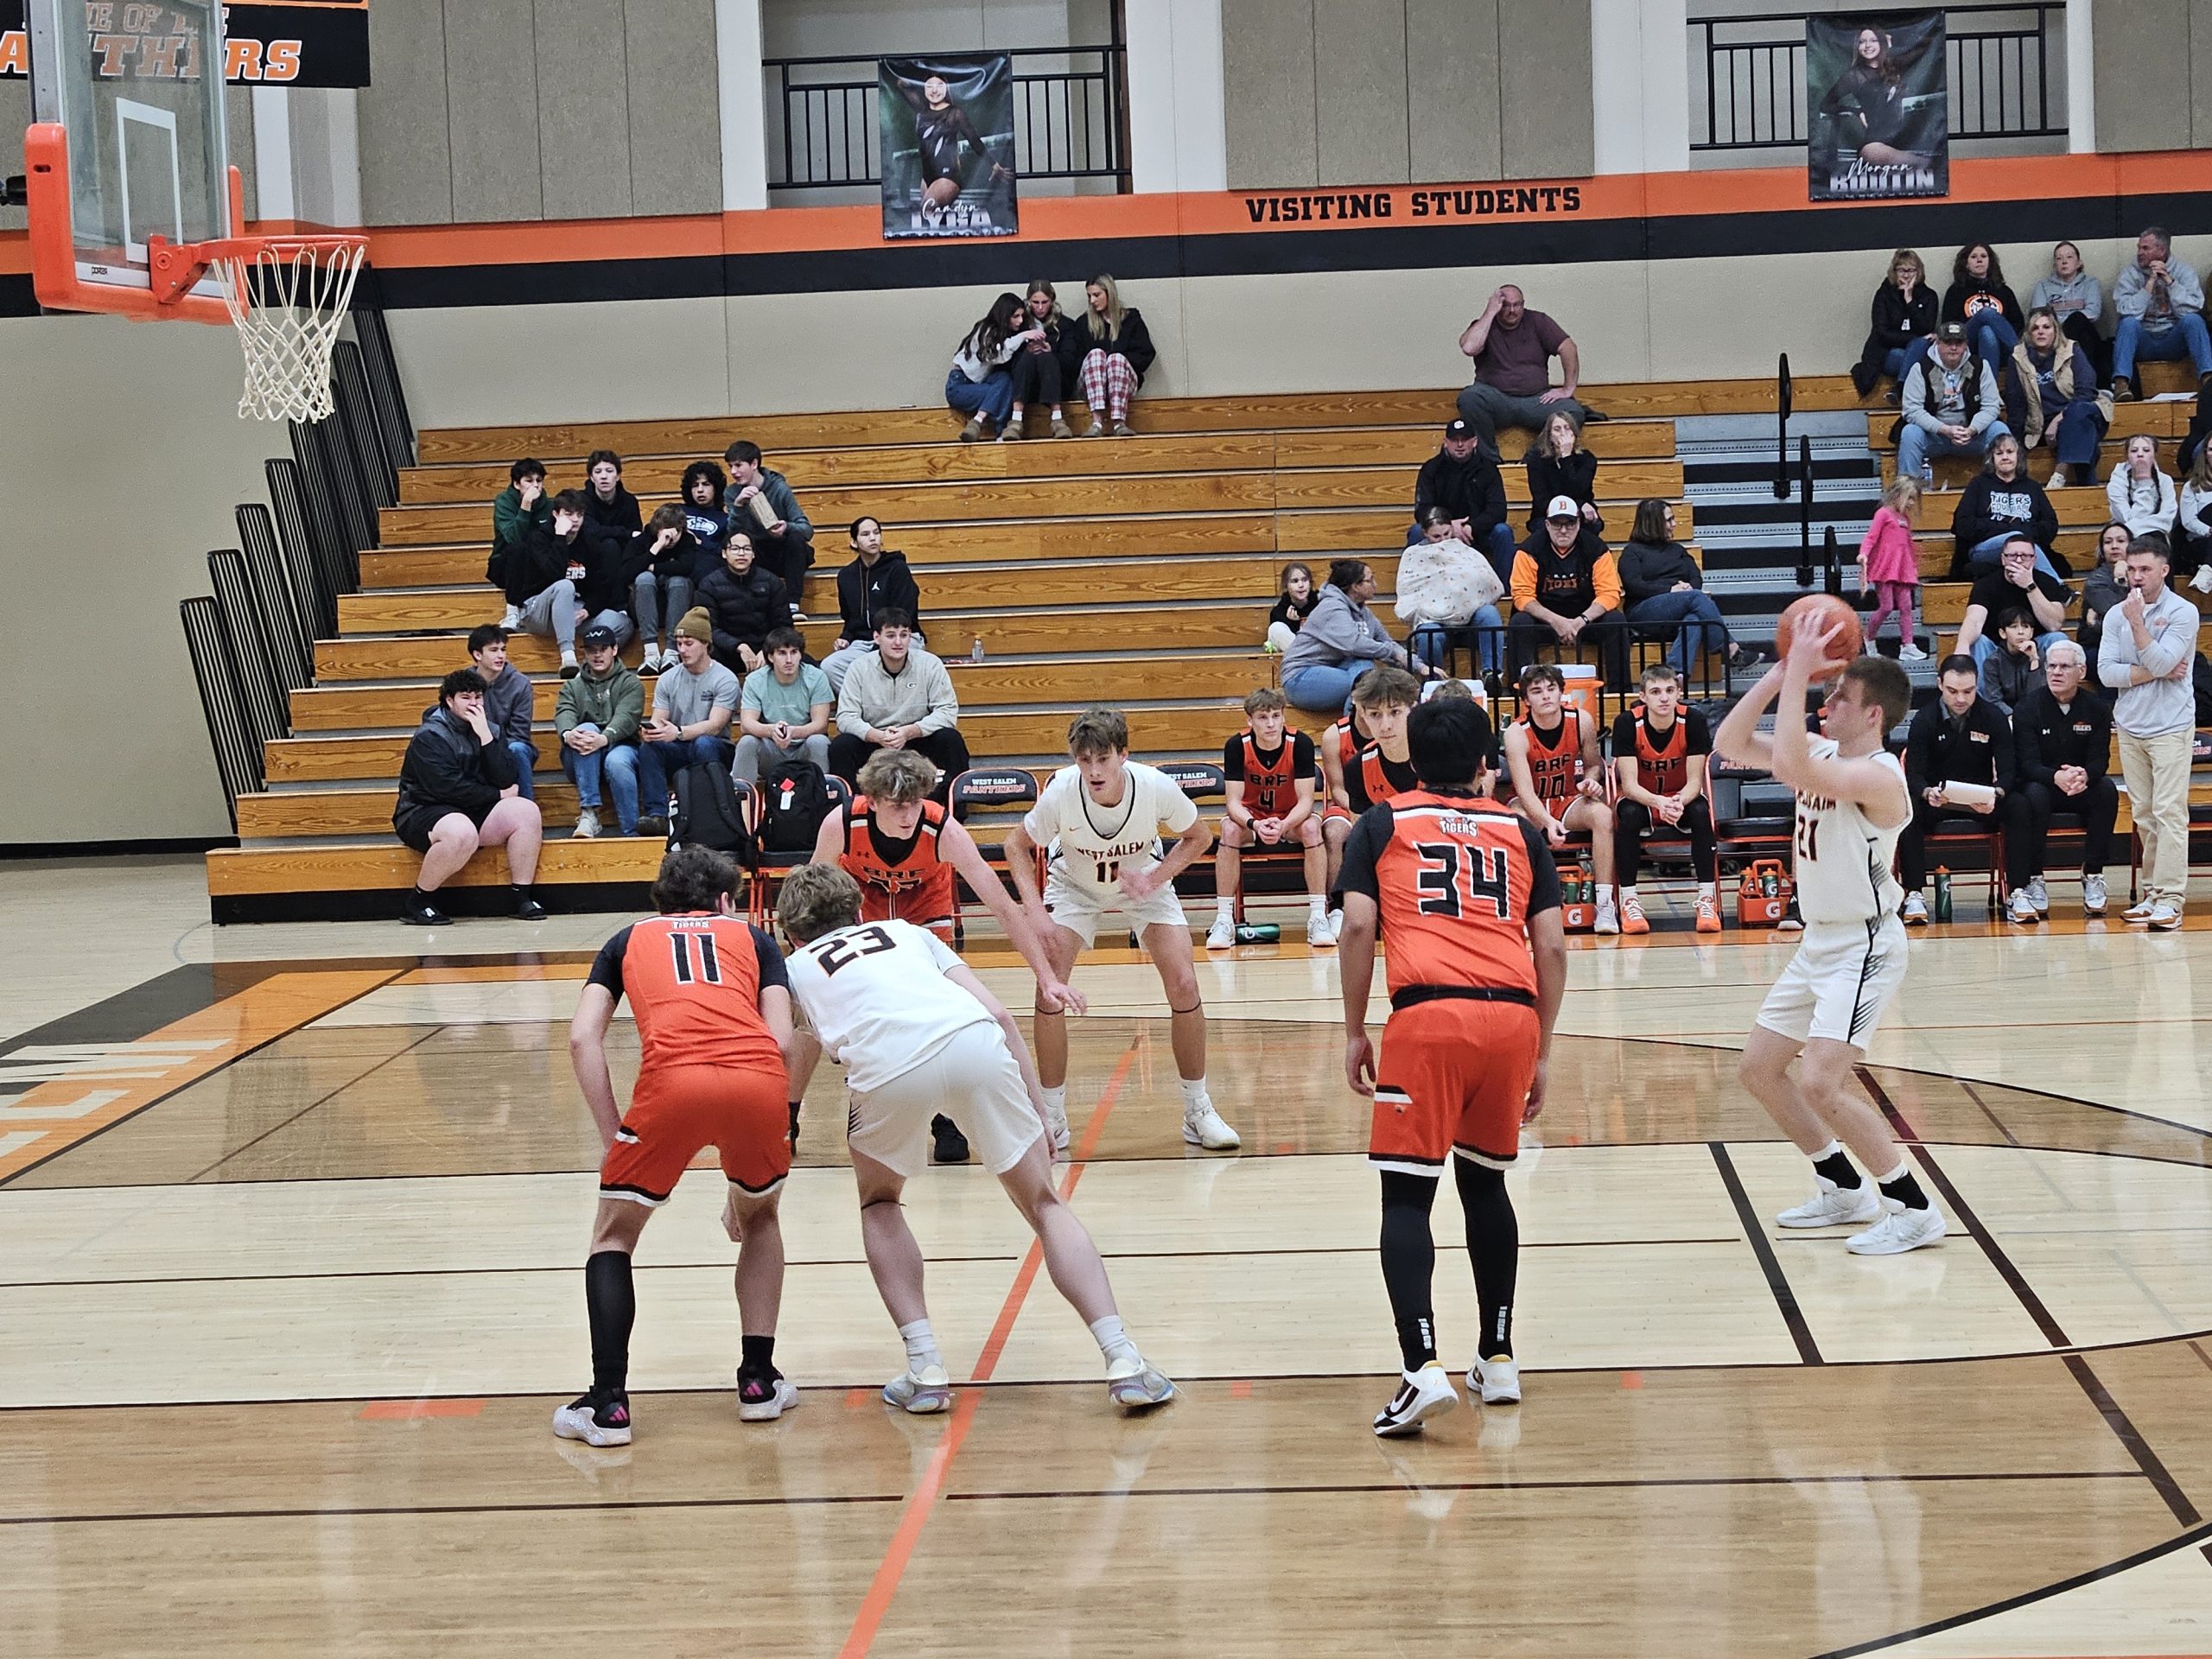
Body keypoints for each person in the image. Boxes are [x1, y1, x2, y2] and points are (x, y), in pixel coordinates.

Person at [776, 862, 1173, 1415]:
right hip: (971, 1042)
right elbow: (997, 1013)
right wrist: (1040, 1109)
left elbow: (787, 1053)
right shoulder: (909, 933)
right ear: (858, 909)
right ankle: (1124, 1360)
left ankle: (927, 1368)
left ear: (791, 932)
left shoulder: (792, 968)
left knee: (880, 1202)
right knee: (1043, 1202)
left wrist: (775, 1130)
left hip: (886, 1071)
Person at [1336, 696, 1565, 1433]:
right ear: (1482, 765)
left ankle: (1420, 1366)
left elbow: (1360, 927)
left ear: (1411, 759)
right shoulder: (1522, 831)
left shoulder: (1382, 823)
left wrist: (1352, 1030)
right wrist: (1544, 1050)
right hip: (1513, 1020)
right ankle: (1497, 1358)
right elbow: (1554, 949)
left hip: (1429, 1017)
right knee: (1487, 1189)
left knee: (1406, 1200)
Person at [553, 848, 799, 1447]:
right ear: (723, 901)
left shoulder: (625, 939)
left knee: (613, 1237)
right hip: (757, 1078)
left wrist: (613, 1128)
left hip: (671, 1084)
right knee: (760, 1218)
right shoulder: (753, 939)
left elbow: (583, 1039)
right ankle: (758, 1383)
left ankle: (608, 1405)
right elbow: (785, 1040)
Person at [1713, 639, 1942, 1255]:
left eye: (1841, 695)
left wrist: (1793, 682)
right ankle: (1842, 1186)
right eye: (1826, 691)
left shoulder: (1878, 776)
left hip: (1864, 945)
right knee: (1759, 1069)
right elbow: (1729, 745)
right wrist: (1780, 675)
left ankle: (1912, 1208)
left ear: (1874, 714)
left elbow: (1797, 763)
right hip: (1819, 939)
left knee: (1819, 1082)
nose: (1827, 700)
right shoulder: (1817, 749)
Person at [794, 747, 1085, 1166]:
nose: (908, 815)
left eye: (914, 803)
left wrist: (1047, 978)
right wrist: (806, 971)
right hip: (862, 912)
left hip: (923, 910)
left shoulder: (941, 830)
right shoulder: (841, 823)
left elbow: (1002, 906)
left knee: (947, 1003)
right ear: (872, 802)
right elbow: (808, 897)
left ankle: (946, 1120)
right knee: (808, 1015)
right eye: (896, 806)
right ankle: (788, 1113)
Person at [1001, 707, 1238, 1153]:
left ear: (1123, 755)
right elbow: (1016, 845)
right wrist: (1032, 909)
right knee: (1048, 988)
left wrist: (1156, 878)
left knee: (1185, 982)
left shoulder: (1154, 787)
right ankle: (1051, 1115)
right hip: (1074, 886)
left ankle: (1198, 1109)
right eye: (1084, 759)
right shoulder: (1060, 795)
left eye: (1103, 759)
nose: (1093, 770)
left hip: (1142, 882)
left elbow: (1200, 837)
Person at [2098, 534, 2200, 930]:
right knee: (2143, 814)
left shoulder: (2183, 612)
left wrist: (2139, 625)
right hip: (2130, 724)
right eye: (2131, 569)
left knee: (2169, 811)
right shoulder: (2113, 615)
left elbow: (2162, 658)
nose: (2136, 577)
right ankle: (2153, 893)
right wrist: (2148, 672)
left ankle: (2172, 899)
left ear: (2163, 569)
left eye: (2144, 569)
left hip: (2171, 725)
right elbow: (2106, 672)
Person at [392, 668, 546, 925]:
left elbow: (507, 777)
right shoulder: (429, 736)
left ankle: (522, 897)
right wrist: (497, 794)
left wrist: (486, 736)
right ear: (449, 700)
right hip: (422, 810)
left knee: (526, 811)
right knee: (462, 832)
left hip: (472, 808)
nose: (474, 704)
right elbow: (446, 787)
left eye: (478, 697)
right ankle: (418, 901)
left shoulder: (490, 729)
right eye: (466, 697)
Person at [1896, 654, 2014, 925]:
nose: (1960, 698)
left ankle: (2019, 890)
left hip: (1981, 801)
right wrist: (1927, 792)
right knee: (1907, 812)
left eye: (1968, 691)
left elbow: (2009, 769)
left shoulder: (1993, 717)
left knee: (2018, 805)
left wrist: (1997, 794)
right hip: (1937, 800)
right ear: (1939, 684)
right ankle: (1914, 892)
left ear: (1977, 686)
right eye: (1952, 691)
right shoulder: (1924, 720)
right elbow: (1913, 773)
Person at [1210, 686, 1331, 950]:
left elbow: (1306, 801)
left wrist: (1285, 824)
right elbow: (1232, 803)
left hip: (1289, 818)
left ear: (1284, 717)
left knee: (1312, 827)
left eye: (1276, 716)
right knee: (1229, 829)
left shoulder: (1301, 744)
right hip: (1252, 819)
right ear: (1250, 720)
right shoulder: (1236, 745)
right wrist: (1254, 824)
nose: (1271, 723)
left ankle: (1319, 917)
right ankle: (1224, 920)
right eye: (1263, 718)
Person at [1502, 664, 1620, 936]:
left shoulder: (1581, 720)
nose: (1545, 696)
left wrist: (1590, 781)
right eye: (1537, 691)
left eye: (1550, 689)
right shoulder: (1516, 733)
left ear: (1561, 693)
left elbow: (1593, 765)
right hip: (1530, 803)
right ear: (1526, 700)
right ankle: (1523, 909)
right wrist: (1547, 822)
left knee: (1603, 815)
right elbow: (1524, 791)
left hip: (1566, 798)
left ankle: (1604, 906)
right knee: (1517, 822)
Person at [2004, 639, 2116, 923]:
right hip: (2043, 783)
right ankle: (2034, 878)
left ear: (2081, 671)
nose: (2055, 672)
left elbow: (2100, 761)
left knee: (2107, 790)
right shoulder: (2027, 708)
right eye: (2051, 666)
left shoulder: (2097, 709)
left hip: (2081, 785)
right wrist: (2057, 777)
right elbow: (2026, 764)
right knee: (2033, 796)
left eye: (2064, 666)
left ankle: (2093, 873)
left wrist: (2084, 776)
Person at [1611, 663, 1721, 934]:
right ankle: (1629, 900)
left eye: (1670, 690)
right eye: (1656, 691)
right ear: (1643, 696)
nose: (1664, 697)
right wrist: (1659, 802)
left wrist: (1677, 802)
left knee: (1700, 812)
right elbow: (1629, 785)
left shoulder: (1693, 720)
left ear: (1679, 692)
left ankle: (1707, 898)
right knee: (1629, 814)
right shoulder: (1627, 723)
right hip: (1642, 799)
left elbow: (1696, 782)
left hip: (1680, 797)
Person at [828, 609, 970, 804]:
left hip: (916, 737)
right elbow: (845, 717)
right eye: (891, 635)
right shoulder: (859, 668)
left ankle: (954, 807)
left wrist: (909, 732)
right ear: (876, 638)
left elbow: (947, 711)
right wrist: (877, 735)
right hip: (875, 740)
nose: (898, 642)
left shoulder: (930, 664)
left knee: (950, 739)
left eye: (904, 635)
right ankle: (852, 808)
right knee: (842, 745)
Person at [1454, 284, 1592, 461]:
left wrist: (1568, 388)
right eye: (1506, 305)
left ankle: (1534, 458)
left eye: (1517, 305)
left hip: (1536, 400)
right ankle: (1490, 462)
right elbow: (1469, 347)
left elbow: (1568, 347)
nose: (1512, 310)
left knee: (1573, 412)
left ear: (1523, 304)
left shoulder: (1538, 321)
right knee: (1469, 398)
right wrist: (1490, 313)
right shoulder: (1484, 324)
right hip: (1496, 399)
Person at [1618, 498, 1751, 678]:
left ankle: (1676, 673)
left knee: (1693, 618)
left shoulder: (1677, 550)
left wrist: (1687, 588)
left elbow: (1695, 577)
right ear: (1655, 523)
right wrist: (1670, 590)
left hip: (1680, 607)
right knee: (1696, 598)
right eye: (1669, 520)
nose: (1675, 524)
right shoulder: (1632, 552)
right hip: (1644, 611)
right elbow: (1634, 585)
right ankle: (1731, 649)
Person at [1281, 558, 1433, 712]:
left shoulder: (1364, 612)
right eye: (1370, 580)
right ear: (1355, 586)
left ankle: (1355, 723)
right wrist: (1392, 653)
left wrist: (1419, 666)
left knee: (1365, 667)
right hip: (1300, 677)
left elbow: (1386, 641)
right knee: (1367, 684)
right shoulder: (1332, 608)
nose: (1376, 585)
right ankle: (1352, 729)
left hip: (1335, 670)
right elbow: (1354, 644)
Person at [1508, 496, 1630, 689]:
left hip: (1585, 620)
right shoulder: (1529, 550)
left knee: (1616, 620)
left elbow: (1610, 593)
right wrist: (1557, 622)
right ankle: (1520, 693)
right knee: (1519, 622)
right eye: (1557, 524)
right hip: (1545, 622)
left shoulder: (1596, 548)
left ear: (1579, 523)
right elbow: (1522, 596)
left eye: (1570, 523)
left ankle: (1620, 691)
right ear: (1547, 525)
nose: (1564, 530)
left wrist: (1580, 621)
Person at [512, 489, 632, 679]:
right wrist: (560, 536)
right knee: (565, 585)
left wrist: (587, 611)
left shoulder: (589, 542)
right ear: (555, 515)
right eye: (568, 514)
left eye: (579, 514)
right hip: (538, 611)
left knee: (620, 622)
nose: (575, 519)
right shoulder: (540, 538)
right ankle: (568, 657)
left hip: (572, 611)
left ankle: (588, 665)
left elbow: (601, 586)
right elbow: (553, 574)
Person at [636, 609, 740, 822]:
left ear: (705, 643)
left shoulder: (725, 678)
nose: (682, 649)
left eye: (688, 643)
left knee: (704, 743)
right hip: (680, 744)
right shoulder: (667, 678)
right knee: (650, 747)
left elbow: (715, 726)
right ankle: (658, 814)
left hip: (716, 747)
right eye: (679, 643)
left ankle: (710, 811)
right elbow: (659, 717)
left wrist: (679, 732)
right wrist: (652, 732)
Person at [555, 622, 645, 839]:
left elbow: (627, 717)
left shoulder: (630, 683)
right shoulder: (572, 686)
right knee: (585, 729)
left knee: (616, 761)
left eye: (603, 649)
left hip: (622, 746)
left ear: (614, 650)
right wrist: (568, 734)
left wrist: (604, 738)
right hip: (581, 755)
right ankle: (589, 813)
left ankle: (631, 832)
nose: (597, 655)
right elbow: (564, 712)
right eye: (591, 650)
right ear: (584, 653)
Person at [2005, 305, 2110, 488]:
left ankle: (2060, 473)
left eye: (2046, 327)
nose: (2041, 332)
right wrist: (2017, 444)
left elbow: (2087, 392)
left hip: (2079, 412)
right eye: (2035, 328)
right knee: (2086, 436)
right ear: (2029, 333)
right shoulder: (2017, 358)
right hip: (2042, 423)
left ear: (2055, 330)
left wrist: (2059, 420)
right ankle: (2089, 490)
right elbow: (2016, 404)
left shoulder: (2071, 350)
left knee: (2079, 413)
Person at [1815, 22, 1939, 173]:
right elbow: (1825, 104)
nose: (1867, 45)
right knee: (1924, 163)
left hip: (1903, 142)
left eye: (1873, 40)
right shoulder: (1855, 76)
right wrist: (1856, 111)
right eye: (1862, 42)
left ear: (1882, 42)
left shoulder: (1894, 66)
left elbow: (1923, 46)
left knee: (1925, 165)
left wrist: (1892, 43)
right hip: (1873, 147)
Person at [1397, 507, 1505, 677]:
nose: (1443, 540)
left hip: (1470, 620)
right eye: (1436, 536)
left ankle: (1492, 674)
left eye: (1447, 534)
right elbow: (1408, 591)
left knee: (1489, 613)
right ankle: (1433, 682)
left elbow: (1488, 581)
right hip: (1434, 621)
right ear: (1425, 533)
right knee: (1427, 635)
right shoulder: (1413, 555)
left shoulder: (1465, 550)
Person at [1898, 321, 2008, 484]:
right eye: (1948, 343)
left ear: (1966, 345)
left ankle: (2004, 489)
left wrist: (1972, 429)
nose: (1954, 348)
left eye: (1959, 343)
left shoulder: (1980, 366)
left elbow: (1991, 406)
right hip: (1934, 437)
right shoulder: (1920, 368)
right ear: (1938, 343)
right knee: (1910, 433)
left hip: (1971, 436)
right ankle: (1906, 492)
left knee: (2000, 430)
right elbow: (1911, 410)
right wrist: (1944, 430)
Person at [2111, 226, 2212, 402]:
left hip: (2173, 340)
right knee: (2127, 323)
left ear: (2162, 250)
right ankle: (2121, 384)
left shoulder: (2183, 271)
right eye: (2139, 248)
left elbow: (2193, 308)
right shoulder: (2130, 274)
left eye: (2145, 248)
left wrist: (2169, 282)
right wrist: (2149, 283)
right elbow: (2125, 310)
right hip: (2145, 340)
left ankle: (2208, 380)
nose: (2139, 253)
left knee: (2194, 321)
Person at [895, 72, 1014, 219]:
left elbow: (974, 140)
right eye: (929, 86)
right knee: (932, 221)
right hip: (927, 178)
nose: (934, 90)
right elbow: (901, 84)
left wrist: (994, 165)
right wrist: (915, 76)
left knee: (927, 212)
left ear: (946, 89)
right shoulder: (922, 110)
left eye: (939, 86)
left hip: (948, 177)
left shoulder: (955, 113)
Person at [827, 516, 923, 696]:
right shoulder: (846, 576)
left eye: (876, 533)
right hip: (864, 641)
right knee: (830, 666)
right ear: (854, 542)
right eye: (865, 534)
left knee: (884, 660)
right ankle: (868, 704)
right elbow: (850, 618)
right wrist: (845, 638)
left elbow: (905, 614)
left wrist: (881, 644)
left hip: (899, 636)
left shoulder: (897, 568)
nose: (873, 538)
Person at [1412, 418, 1516, 582]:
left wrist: (1470, 527)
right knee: (1416, 531)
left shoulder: (1488, 469)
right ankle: (1415, 587)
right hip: (1440, 533)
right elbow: (1422, 510)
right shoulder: (1431, 469)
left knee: (1503, 532)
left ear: (1474, 442)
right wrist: (1448, 525)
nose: (1459, 445)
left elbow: (1498, 510)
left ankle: (1508, 592)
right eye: (1454, 440)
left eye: (1464, 439)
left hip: (1477, 533)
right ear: (1446, 442)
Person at [1950, 433, 2060, 577]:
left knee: (2020, 544)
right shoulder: (1978, 485)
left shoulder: (2032, 487)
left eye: (2010, 452)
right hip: (1984, 549)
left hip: (2027, 549)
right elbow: (1963, 524)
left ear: (2018, 456)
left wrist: (2025, 533)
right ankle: (2059, 588)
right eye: (1999, 453)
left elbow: (2050, 525)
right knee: (2017, 538)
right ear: (1992, 458)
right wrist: (2013, 529)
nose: (2005, 457)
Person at [734, 626, 832, 785]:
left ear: (801, 654)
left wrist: (793, 732)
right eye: (782, 653)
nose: (789, 660)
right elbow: (747, 724)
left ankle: (820, 797)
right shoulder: (755, 680)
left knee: (819, 741)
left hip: (803, 748)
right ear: (771, 657)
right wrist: (772, 731)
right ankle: (742, 800)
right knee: (747, 742)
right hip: (772, 749)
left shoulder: (816, 677)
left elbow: (821, 725)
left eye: (794, 652)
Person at [1955, 535, 2071, 670]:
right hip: (1998, 650)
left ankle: (2052, 690)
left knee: (2058, 639)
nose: (2018, 561)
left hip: (2035, 647)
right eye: (2012, 556)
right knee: (1978, 642)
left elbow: (2054, 625)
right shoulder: (1986, 584)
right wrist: (1962, 646)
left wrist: (2029, 586)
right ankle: (1984, 691)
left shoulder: (2047, 582)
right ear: (2003, 559)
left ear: (2034, 560)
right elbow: (1974, 620)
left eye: (2025, 556)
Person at [723, 442, 814, 606]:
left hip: (782, 553)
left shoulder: (780, 488)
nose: (733, 472)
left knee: (796, 539)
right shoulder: (731, 493)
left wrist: (786, 527)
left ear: (754, 464)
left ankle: (793, 604)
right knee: (739, 548)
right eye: (730, 466)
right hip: (756, 551)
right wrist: (738, 506)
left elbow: (807, 530)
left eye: (738, 465)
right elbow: (733, 534)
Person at [1067, 274, 1154, 437]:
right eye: (1089, 296)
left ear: (1110, 294)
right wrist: (1101, 365)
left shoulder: (1130, 319)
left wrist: (1112, 362)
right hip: (1091, 385)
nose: (1092, 301)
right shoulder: (1083, 323)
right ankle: (1097, 422)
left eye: (1096, 295)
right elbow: (1075, 360)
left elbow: (1146, 354)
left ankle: (1119, 423)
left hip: (1122, 381)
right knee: (1096, 355)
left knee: (1116, 359)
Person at [696, 530, 789, 678]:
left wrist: (768, 651)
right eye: (735, 548)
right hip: (729, 651)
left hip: (766, 649)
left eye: (747, 549)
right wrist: (738, 646)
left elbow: (784, 626)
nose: (741, 553)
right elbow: (708, 628)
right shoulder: (710, 584)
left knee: (798, 657)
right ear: (724, 553)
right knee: (704, 652)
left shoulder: (771, 581)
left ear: (753, 554)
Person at [1853, 248, 1939, 400]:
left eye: (1911, 270)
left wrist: (1910, 300)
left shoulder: (1929, 296)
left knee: (1921, 346)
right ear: (1894, 272)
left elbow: (1927, 327)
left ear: (1919, 272)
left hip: (1919, 351)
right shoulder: (1884, 295)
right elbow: (1881, 332)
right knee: (1915, 352)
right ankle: (1911, 390)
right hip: (1888, 352)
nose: (1906, 275)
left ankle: (1900, 387)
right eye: (1901, 270)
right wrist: (1913, 339)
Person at [948, 293, 1033, 443]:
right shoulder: (985, 330)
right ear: (1004, 315)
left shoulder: (1004, 331)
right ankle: (997, 433)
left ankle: (978, 421)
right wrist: (1023, 336)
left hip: (981, 383)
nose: (1020, 321)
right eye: (1015, 316)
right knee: (1005, 391)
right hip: (959, 385)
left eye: (1021, 316)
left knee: (1005, 380)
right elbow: (996, 355)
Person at [467, 623, 536, 802]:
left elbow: (519, 734)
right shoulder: (463, 683)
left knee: (517, 749)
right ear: (477, 654)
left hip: (508, 747)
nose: (501, 656)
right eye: (494, 650)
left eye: (503, 649)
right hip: (474, 747)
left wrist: (493, 751)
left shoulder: (520, 684)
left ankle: (526, 811)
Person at [1859, 474, 1925, 659]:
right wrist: (1864, 553)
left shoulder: (1904, 519)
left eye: (1914, 499)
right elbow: (1871, 536)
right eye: (1909, 498)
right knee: (1887, 606)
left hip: (1903, 568)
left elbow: (1907, 544)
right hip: (1886, 568)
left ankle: (1908, 645)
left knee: (1906, 606)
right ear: (1898, 494)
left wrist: (1913, 564)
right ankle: (1869, 637)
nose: (1912, 503)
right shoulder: (1884, 514)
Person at [627, 504, 698, 675]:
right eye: (665, 532)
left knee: (678, 581)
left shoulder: (687, 540)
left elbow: (686, 567)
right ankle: (651, 652)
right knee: (644, 578)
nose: (671, 538)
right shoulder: (643, 540)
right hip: (645, 606)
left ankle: (672, 651)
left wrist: (653, 567)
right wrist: (657, 546)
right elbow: (627, 572)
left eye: (676, 533)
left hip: (676, 604)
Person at [1936, 243, 2024, 375]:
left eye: (1983, 256)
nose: (1979, 260)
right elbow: (1949, 326)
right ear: (1966, 263)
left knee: (1987, 332)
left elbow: (2018, 322)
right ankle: (2022, 354)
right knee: (1986, 313)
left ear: (1990, 262)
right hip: (1967, 345)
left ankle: (1990, 389)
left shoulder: (2003, 291)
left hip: (2000, 346)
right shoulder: (1956, 291)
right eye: (1974, 257)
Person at [2030, 239, 2108, 381]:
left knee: (2079, 322)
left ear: (2079, 263)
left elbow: (2093, 313)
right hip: (2054, 336)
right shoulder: (2043, 286)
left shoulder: (2090, 283)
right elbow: (2038, 315)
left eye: (2069, 257)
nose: (2064, 261)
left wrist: (2069, 322)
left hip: (2080, 332)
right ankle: (2091, 383)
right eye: (2059, 258)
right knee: (2082, 336)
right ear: (2055, 265)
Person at [1006, 281, 1074, 439]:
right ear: (1028, 301)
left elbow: (1071, 361)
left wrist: (1051, 352)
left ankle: (1057, 419)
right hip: (1025, 385)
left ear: (1052, 301)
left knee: (1045, 356)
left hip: (1057, 384)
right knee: (1030, 355)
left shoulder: (1065, 325)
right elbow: (1007, 361)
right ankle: (1016, 420)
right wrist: (1026, 351)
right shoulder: (1020, 324)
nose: (1040, 308)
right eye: (1035, 303)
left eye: (1045, 302)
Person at [493, 458, 550, 627]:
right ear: (517, 484)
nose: (535, 486)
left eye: (539, 481)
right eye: (529, 481)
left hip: (537, 566)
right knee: (519, 547)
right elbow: (513, 537)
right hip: (505, 564)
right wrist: (525, 506)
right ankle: (512, 612)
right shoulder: (504, 502)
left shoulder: (549, 505)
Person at [1523, 409, 1601, 533]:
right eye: (1557, 429)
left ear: (1574, 434)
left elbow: (1579, 489)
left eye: (1567, 428)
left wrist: (1566, 458)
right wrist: (1580, 505)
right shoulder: (1536, 461)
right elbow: (1541, 499)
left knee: (1593, 524)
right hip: (1546, 513)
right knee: (1543, 528)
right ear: (1549, 436)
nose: (1563, 433)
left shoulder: (1587, 459)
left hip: (1579, 514)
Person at [578, 450, 644, 578]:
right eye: (598, 472)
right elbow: (592, 531)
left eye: (609, 471)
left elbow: (636, 535)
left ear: (618, 476)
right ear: (591, 477)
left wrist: (626, 535)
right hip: (590, 557)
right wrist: (624, 533)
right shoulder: (581, 500)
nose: (604, 476)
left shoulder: (629, 501)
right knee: (610, 545)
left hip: (623, 558)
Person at [2107, 434, 2178, 542]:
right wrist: (2144, 483)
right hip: (2124, 537)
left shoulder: (2165, 481)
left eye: (2146, 450)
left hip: (2156, 536)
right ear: (2127, 456)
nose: (2140, 454)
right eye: (2134, 451)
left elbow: (2167, 518)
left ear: (2154, 455)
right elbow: (2127, 518)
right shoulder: (2116, 483)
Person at [2078, 522, 2133, 661]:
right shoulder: (2096, 581)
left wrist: (2095, 623)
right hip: (2099, 646)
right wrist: (2121, 580)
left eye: (2121, 541)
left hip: (2135, 643)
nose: (2114, 546)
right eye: (2108, 542)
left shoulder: (2143, 575)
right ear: (2102, 550)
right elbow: (2122, 619)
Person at [1975, 607, 2042, 718]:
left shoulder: (2040, 656)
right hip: (2004, 716)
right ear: (2003, 633)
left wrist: (2034, 660)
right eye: (2014, 627)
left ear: (2031, 632)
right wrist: (2012, 716)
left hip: (2033, 716)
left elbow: (2038, 697)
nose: (2020, 632)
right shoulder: (1993, 661)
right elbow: (1993, 699)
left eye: (2025, 627)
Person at [679, 461, 734, 581]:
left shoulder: (725, 519)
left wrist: (699, 542)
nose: (700, 490)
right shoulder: (678, 511)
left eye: (706, 484)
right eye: (695, 485)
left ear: (716, 488)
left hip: (706, 569)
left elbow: (725, 552)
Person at [1267, 561, 1318, 654]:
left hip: (1320, 650)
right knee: (1275, 628)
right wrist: (1293, 623)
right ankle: (1306, 658)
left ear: (1310, 583)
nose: (1301, 585)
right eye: (1295, 581)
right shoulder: (1279, 612)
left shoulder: (1321, 603)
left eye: (1305, 580)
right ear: (1286, 586)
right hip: (1300, 656)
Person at [2179, 444, 2212, 589]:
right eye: (2211, 449)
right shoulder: (2192, 486)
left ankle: (2207, 570)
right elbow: (2188, 521)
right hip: (2201, 541)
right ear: (2205, 454)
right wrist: (2209, 530)